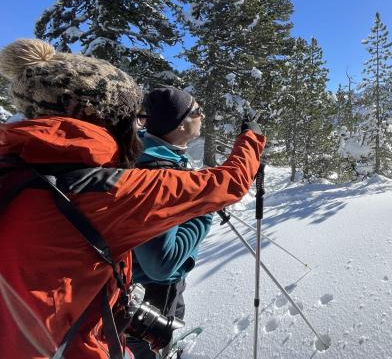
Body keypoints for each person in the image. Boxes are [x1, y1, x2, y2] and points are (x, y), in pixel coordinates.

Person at [0, 39, 266, 359]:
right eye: (134, 117)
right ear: (108, 120)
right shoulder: (108, 192)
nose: (140, 127)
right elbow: (230, 183)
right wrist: (251, 138)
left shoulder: (15, 169)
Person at [127, 87, 213, 359]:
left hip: (137, 281)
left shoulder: (151, 151)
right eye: (197, 111)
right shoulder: (158, 172)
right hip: (150, 287)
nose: (203, 115)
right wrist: (204, 210)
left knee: (174, 314)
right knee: (150, 342)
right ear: (180, 124)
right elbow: (161, 265)